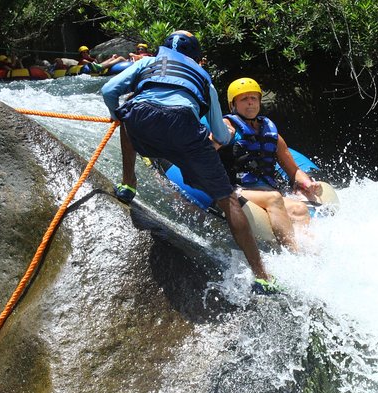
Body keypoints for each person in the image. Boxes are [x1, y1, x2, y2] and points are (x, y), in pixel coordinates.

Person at [101, 30, 277, 293]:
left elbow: (108, 90)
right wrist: (224, 137)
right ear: (196, 57)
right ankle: (262, 277)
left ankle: (128, 184)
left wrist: (118, 115)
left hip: (143, 120)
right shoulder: (205, 79)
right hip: (185, 129)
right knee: (228, 201)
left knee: (128, 114)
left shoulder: (146, 63)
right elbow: (219, 134)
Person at [220, 77, 322, 253]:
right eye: (244, 99)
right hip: (236, 190)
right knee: (274, 198)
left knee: (300, 208)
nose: (250, 103)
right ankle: (293, 254)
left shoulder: (270, 131)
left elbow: (294, 170)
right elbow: (205, 150)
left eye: (254, 98)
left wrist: (307, 184)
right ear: (233, 105)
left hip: (265, 191)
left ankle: (312, 254)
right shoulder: (227, 126)